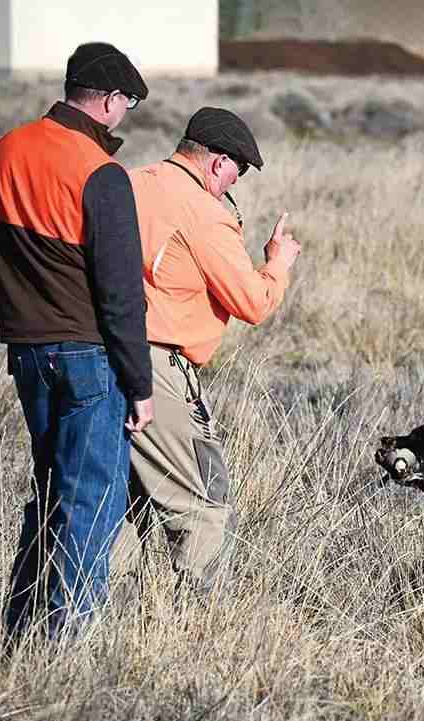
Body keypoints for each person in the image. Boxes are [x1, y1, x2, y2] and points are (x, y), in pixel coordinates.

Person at [0, 42, 154, 640]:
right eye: (126, 103)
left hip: (27, 352)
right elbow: (122, 294)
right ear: (108, 101)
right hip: (88, 356)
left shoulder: (6, 150)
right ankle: (65, 646)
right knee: (92, 503)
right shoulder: (100, 172)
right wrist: (140, 384)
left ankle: (20, 627)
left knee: (50, 491)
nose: (123, 115)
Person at [123, 107, 301, 596]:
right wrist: (277, 264)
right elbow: (253, 302)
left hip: (100, 353)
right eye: (237, 174)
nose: (232, 185)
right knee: (204, 497)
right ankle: (198, 622)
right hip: (159, 365)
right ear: (220, 162)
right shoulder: (205, 212)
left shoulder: (129, 182)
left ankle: (105, 615)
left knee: (122, 497)